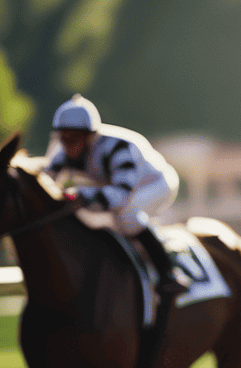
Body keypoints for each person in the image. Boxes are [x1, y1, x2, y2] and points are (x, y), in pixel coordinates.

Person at [46, 94, 190, 296]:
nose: (67, 145)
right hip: (122, 187)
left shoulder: (118, 147)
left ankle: (169, 273)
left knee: (125, 214)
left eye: (73, 139)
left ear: (90, 136)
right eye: (63, 138)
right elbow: (44, 182)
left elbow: (121, 196)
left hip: (158, 184)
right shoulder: (63, 151)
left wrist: (82, 195)